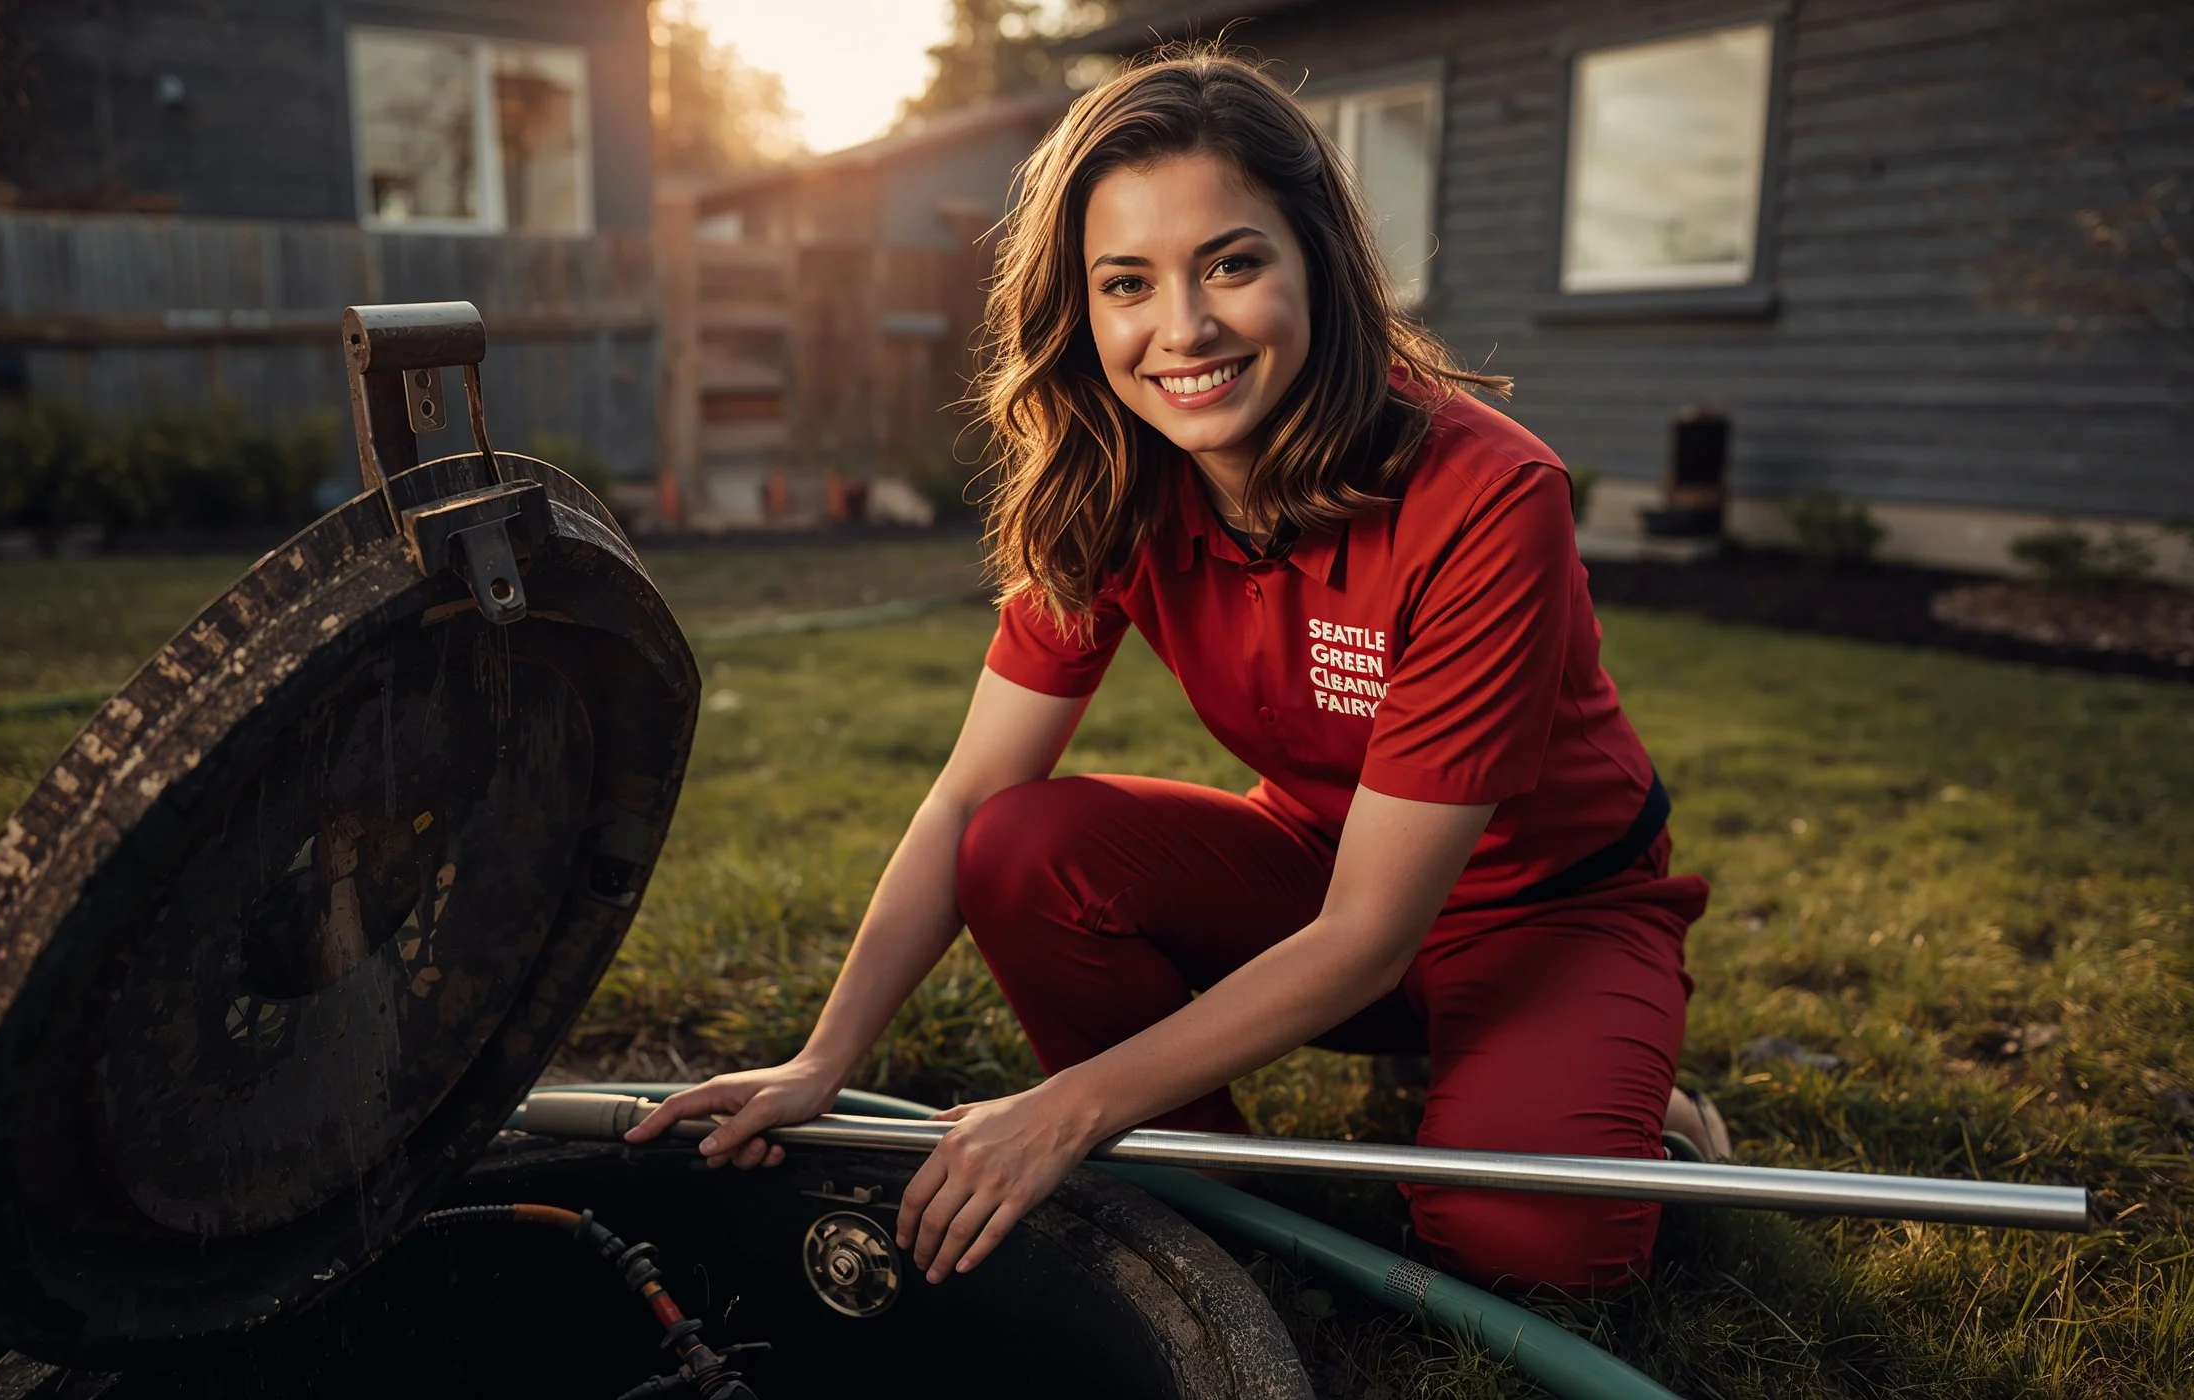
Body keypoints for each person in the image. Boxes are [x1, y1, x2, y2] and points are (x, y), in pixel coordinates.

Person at [629, 50, 1722, 1295]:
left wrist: (1066, 1105)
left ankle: (1640, 1107)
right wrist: (820, 1058)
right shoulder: (1115, 477)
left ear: (1315, 257)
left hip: (1545, 910)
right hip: (1320, 878)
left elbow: (1372, 934)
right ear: (1080, 310)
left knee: (1526, 1251)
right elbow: (967, 797)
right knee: (1021, 844)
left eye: (1232, 263)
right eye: (1126, 283)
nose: (1182, 329)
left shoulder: (1487, 494)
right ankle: (1215, 1190)